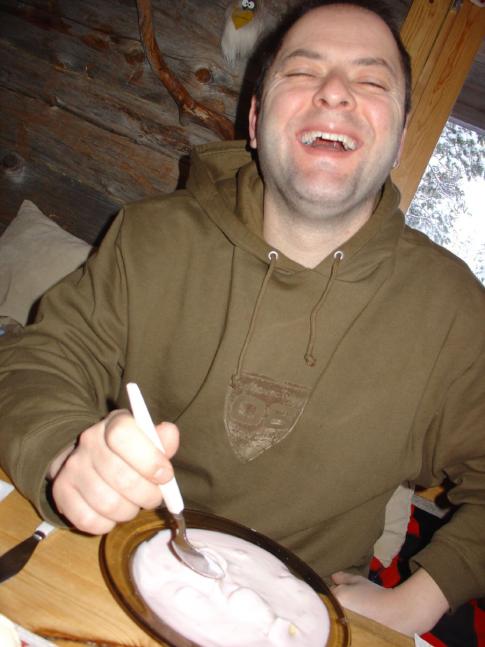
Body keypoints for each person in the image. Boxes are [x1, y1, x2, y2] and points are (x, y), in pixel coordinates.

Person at [1, 0, 484, 637]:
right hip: (109, 557)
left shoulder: (455, 310)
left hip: (298, 621)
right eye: (303, 72)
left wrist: (423, 597)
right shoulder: (149, 235)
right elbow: (37, 360)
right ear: (255, 120)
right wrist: (65, 452)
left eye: (370, 81)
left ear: (399, 138)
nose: (335, 92)